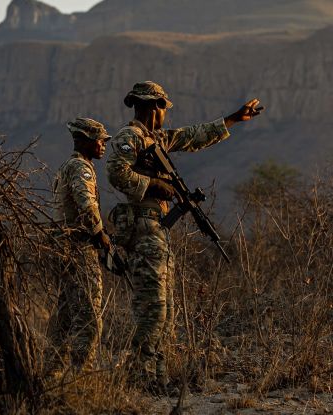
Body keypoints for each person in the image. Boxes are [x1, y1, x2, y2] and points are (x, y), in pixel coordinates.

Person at [106, 81, 262, 393]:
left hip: (156, 228)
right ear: (153, 107)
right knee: (152, 310)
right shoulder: (130, 137)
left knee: (167, 311)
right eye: (163, 107)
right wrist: (153, 186)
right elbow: (115, 172)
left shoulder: (156, 139)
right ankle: (141, 379)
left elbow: (192, 136)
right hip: (141, 226)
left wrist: (231, 119)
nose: (165, 113)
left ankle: (159, 379)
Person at [47, 117, 112, 376]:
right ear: (83, 141)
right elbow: (86, 204)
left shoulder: (68, 166)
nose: (103, 145)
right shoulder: (80, 168)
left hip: (62, 245)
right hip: (77, 246)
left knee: (64, 311)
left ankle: (52, 370)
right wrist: (100, 234)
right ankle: (81, 375)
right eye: (99, 140)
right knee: (88, 315)